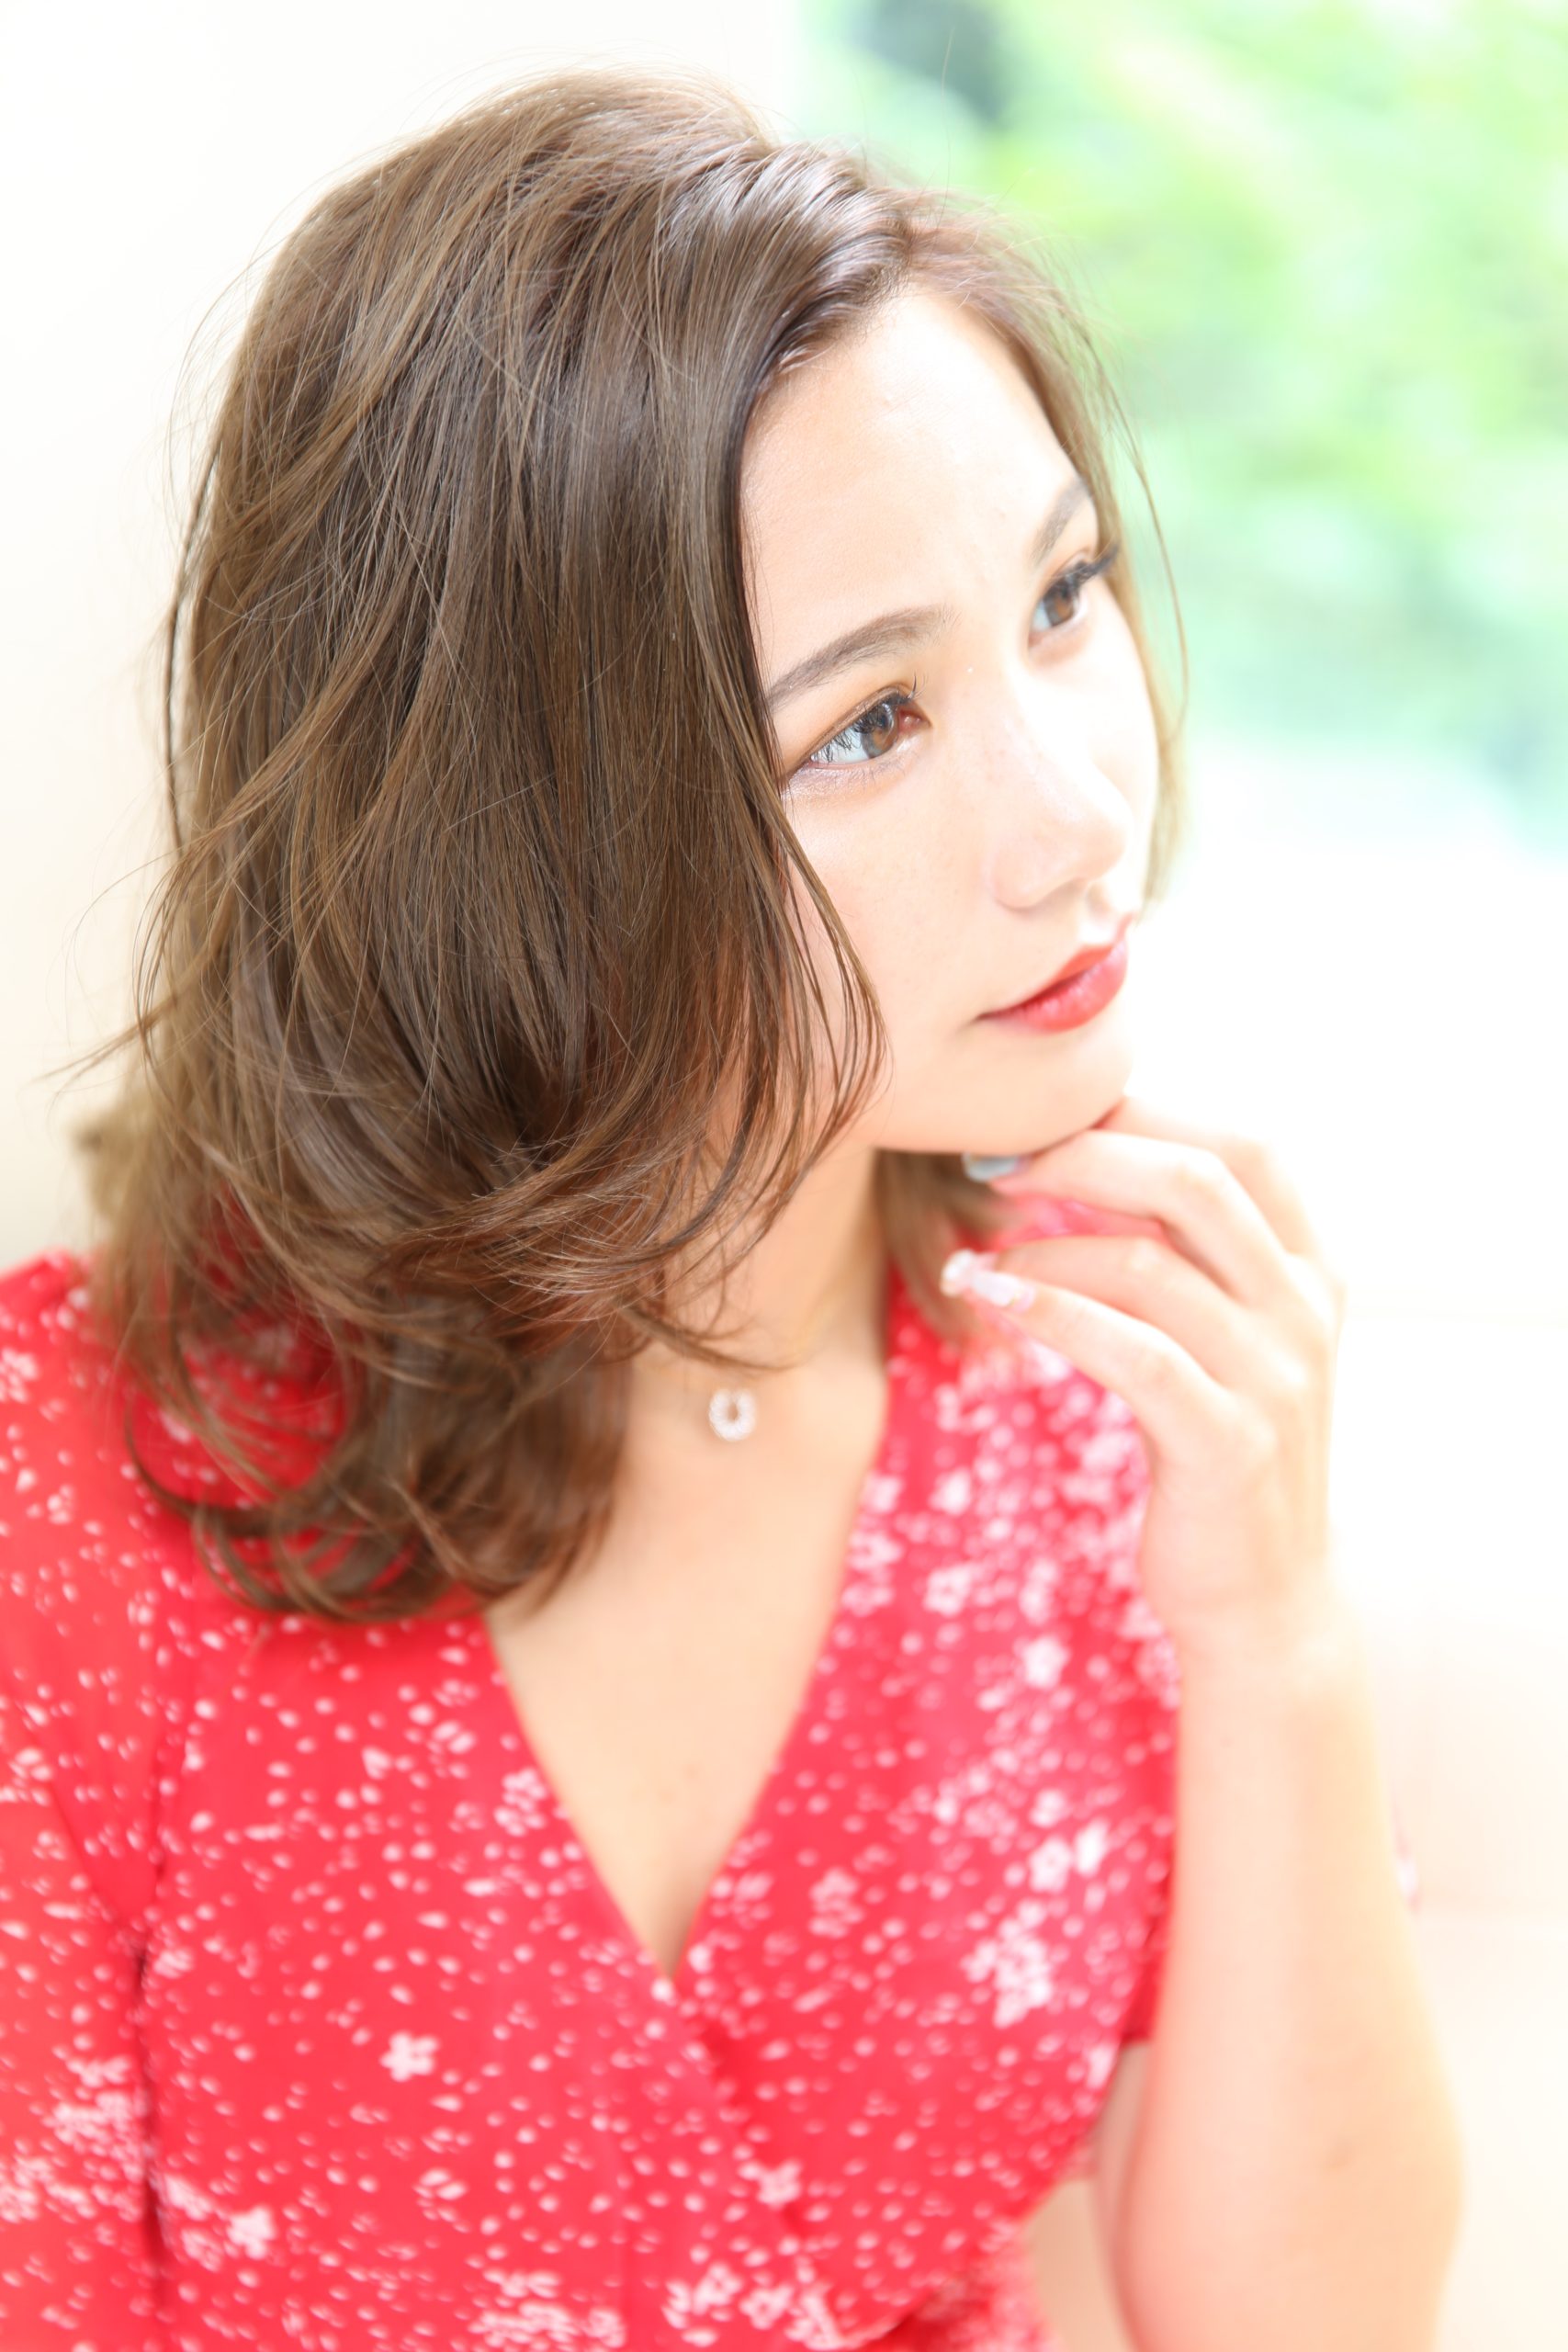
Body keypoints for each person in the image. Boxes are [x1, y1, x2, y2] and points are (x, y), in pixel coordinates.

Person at [0, 61, 1461, 2352]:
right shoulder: (74, 1492)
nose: (1076, 815)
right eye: (866, 723)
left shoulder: (1112, 1395)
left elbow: (1305, 2329)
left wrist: (1267, 1619)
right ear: (517, 842)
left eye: (1061, 595)